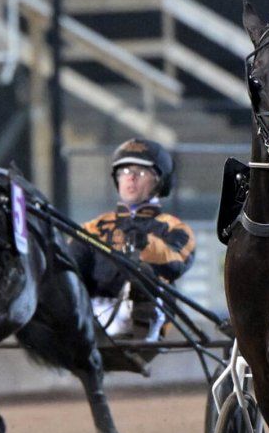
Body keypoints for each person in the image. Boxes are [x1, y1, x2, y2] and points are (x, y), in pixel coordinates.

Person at [69, 138, 196, 342]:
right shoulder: (92, 228)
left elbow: (176, 265)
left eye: (141, 172)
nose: (131, 178)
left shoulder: (173, 227)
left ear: (159, 181)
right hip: (92, 313)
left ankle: (138, 334)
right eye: (125, 171)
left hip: (145, 315)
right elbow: (71, 269)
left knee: (143, 273)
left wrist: (145, 243)